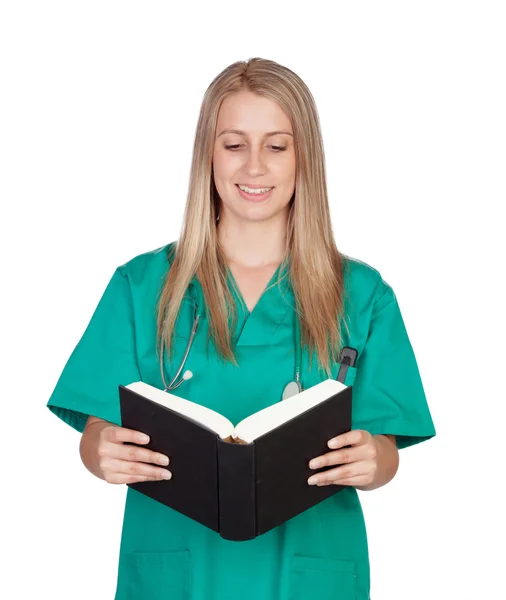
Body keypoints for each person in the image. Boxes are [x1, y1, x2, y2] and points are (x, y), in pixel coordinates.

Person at [46, 57, 436, 600]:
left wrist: (373, 461)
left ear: (306, 159)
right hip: (176, 574)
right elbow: (95, 433)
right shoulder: (142, 286)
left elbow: (386, 448)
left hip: (308, 574)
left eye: (276, 146)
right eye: (234, 144)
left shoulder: (362, 294)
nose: (254, 167)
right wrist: (100, 452)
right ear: (208, 154)